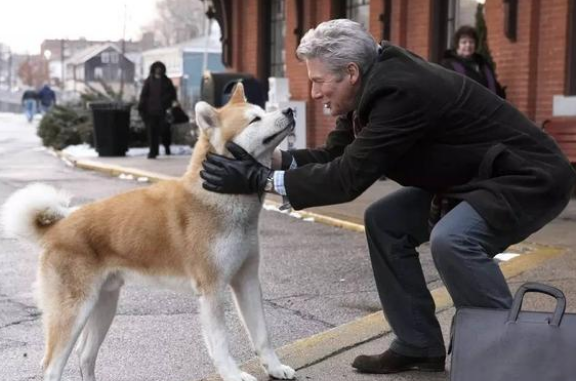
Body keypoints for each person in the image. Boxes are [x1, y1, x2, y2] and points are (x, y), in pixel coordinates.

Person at [200, 19, 576, 374]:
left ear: (350, 72)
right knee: (385, 221)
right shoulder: (368, 85)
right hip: (473, 178)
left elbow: (347, 179)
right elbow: (337, 156)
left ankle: (511, 354)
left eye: (318, 82)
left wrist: (258, 179)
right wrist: (269, 159)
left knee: (454, 240)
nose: (314, 94)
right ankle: (418, 343)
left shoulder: (400, 91)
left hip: (526, 177)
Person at [442, 25, 506, 99]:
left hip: (489, 107)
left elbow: (494, 86)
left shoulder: (483, 64)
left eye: (471, 42)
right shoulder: (449, 65)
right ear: (457, 45)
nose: (468, 45)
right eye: (464, 42)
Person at [137, 61, 177, 159]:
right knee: (152, 132)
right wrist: (141, 107)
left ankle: (167, 147)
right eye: (156, 68)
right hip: (151, 112)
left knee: (165, 131)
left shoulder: (167, 81)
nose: (158, 70)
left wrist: (168, 103)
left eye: (160, 68)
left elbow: (173, 95)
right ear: (153, 69)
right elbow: (144, 95)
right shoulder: (149, 81)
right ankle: (153, 151)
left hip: (164, 111)